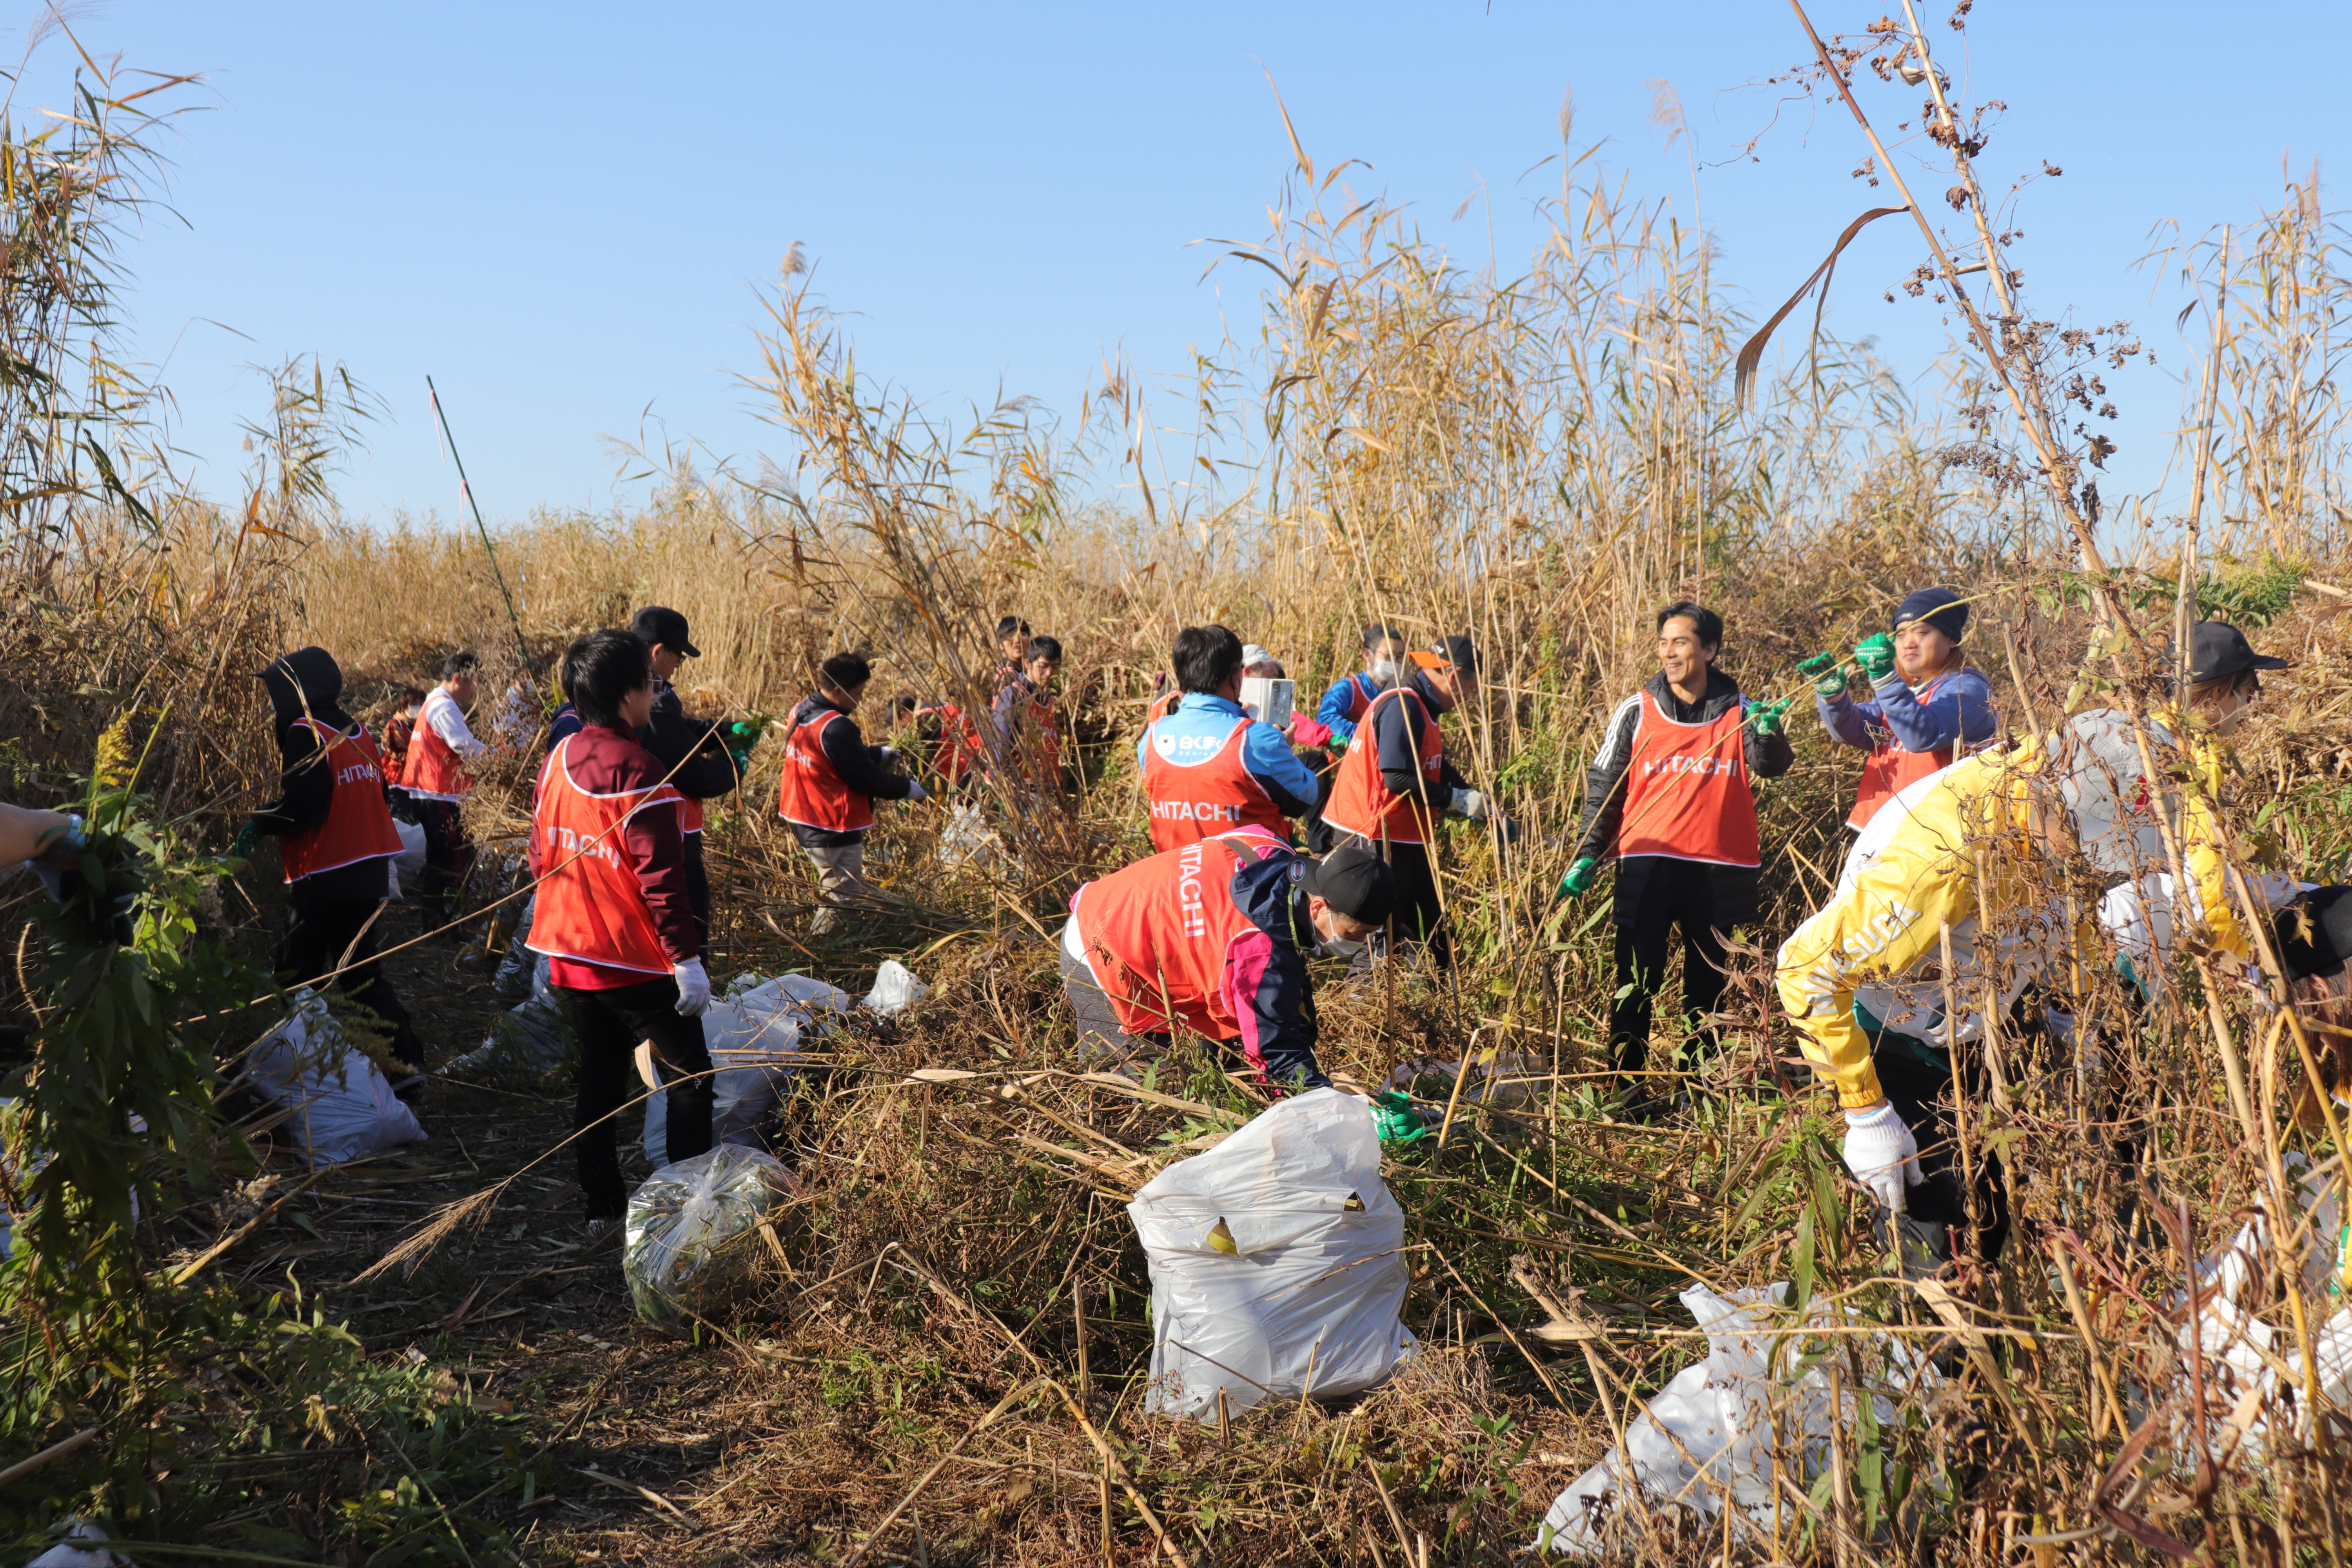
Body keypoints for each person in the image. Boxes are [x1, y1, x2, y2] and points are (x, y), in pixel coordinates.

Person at [1775, 702, 2279, 1271]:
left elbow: (2071, 911)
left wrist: (2072, 1001)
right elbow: (1805, 969)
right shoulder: (1938, 861)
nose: (2105, 869)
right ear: (2059, 814)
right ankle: (1937, 1318)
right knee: (1943, 1229)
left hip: (1992, 1008)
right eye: (2098, 851)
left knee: (1990, 1210)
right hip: (1900, 1030)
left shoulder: (2077, 785)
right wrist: (1866, 1110)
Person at [1560, 604, 1795, 1114]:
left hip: (1717, 870)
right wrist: (1587, 854)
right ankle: (1625, 1092)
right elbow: (1605, 787)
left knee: (1707, 987)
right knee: (1635, 981)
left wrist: (1771, 734)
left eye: (1681, 642)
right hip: (1647, 865)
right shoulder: (1637, 709)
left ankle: (1697, 1096)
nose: (1669, 652)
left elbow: (1769, 765)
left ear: (1709, 650)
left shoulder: (1742, 711)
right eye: (1664, 642)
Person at [528, 629, 715, 1233]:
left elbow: (538, 855)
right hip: (630, 958)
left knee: (601, 1077)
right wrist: (686, 960)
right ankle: (684, 1211)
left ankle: (602, 1207)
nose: (655, 692)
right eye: (649, 682)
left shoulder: (558, 758)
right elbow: (663, 880)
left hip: (568, 951)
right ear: (628, 692)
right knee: (691, 1078)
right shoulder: (639, 769)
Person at [1062, 831, 1394, 1090]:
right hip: (1102, 947)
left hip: (1124, 903)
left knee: (1219, 1057)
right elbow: (1276, 1057)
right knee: (1139, 1085)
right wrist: (1324, 1100)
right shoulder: (1259, 949)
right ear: (1319, 907)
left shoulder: (1270, 847)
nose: (1360, 943)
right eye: (1356, 933)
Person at [247, 648, 428, 1087]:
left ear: (295, 692)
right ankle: (405, 1065)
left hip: (326, 874)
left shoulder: (304, 732)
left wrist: (260, 822)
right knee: (362, 975)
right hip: (369, 870)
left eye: (276, 693)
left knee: (296, 977)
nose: (273, 703)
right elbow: (374, 795)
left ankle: (300, 1073)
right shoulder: (355, 729)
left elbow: (306, 808)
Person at [1321, 635, 1497, 969]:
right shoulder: (1404, 705)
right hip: (1373, 835)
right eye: (1471, 688)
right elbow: (1397, 778)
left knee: (1431, 928)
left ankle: (1437, 989)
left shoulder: (1423, 706)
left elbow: (1435, 765)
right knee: (1377, 939)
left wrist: (1481, 803)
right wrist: (1457, 800)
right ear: (1456, 676)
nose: (1469, 697)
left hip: (1403, 836)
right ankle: (1364, 1000)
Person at [1805, 587, 1998, 831]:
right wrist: (1834, 699)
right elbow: (1857, 732)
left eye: (1922, 633)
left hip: (1935, 834)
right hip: (1880, 830)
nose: (1909, 643)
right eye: (1900, 634)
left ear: (1951, 639)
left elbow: (1923, 736)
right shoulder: (1908, 690)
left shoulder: (1969, 689)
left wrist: (1885, 678)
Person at [776, 651, 926, 934]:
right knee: (841, 898)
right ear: (838, 691)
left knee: (834, 891)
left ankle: (827, 947)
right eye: (858, 693)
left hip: (803, 814)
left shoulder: (802, 710)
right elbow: (864, 777)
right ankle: (823, 951)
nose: (861, 699)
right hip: (830, 823)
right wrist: (907, 788)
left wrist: (876, 754)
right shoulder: (837, 727)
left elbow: (830, 756)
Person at [1138, 625, 1320, 851]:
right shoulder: (1256, 739)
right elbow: (1304, 798)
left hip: (1176, 872)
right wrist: (1281, 746)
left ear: (1180, 677)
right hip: (1249, 872)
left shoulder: (1151, 739)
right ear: (1236, 677)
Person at [628, 607, 741, 949]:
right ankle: (688, 977)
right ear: (658, 652)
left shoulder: (626, 688)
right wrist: (735, 768)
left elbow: (674, 732)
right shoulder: (653, 701)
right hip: (671, 832)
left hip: (640, 827)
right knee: (688, 918)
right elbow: (694, 775)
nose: (679, 663)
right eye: (679, 655)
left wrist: (718, 732)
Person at [401, 652, 485, 938]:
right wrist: (499, 758)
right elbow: (464, 745)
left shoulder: (436, 701)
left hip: (433, 793)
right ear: (458, 679)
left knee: (442, 858)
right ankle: (445, 924)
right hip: (438, 794)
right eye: (475, 681)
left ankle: (436, 922)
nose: (477, 689)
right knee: (452, 860)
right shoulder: (443, 707)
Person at [992, 635, 1064, 793]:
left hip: (1041, 791)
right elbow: (999, 747)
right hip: (1015, 790)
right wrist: (1004, 786)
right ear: (1027, 664)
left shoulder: (1051, 702)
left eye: (1055, 667)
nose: (1049, 673)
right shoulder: (1015, 695)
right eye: (1043, 666)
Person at [1314, 623, 1406, 746]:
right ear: (1367, 655)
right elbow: (1326, 720)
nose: (1395, 663)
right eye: (1389, 656)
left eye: (1399, 657)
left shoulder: (1400, 693)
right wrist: (1370, 734)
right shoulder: (1348, 688)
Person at [993, 616, 1032, 685]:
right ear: (1001, 645)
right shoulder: (1006, 677)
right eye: (1010, 636)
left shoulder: (1029, 671)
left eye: (1022, 634)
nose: (1017, 640)